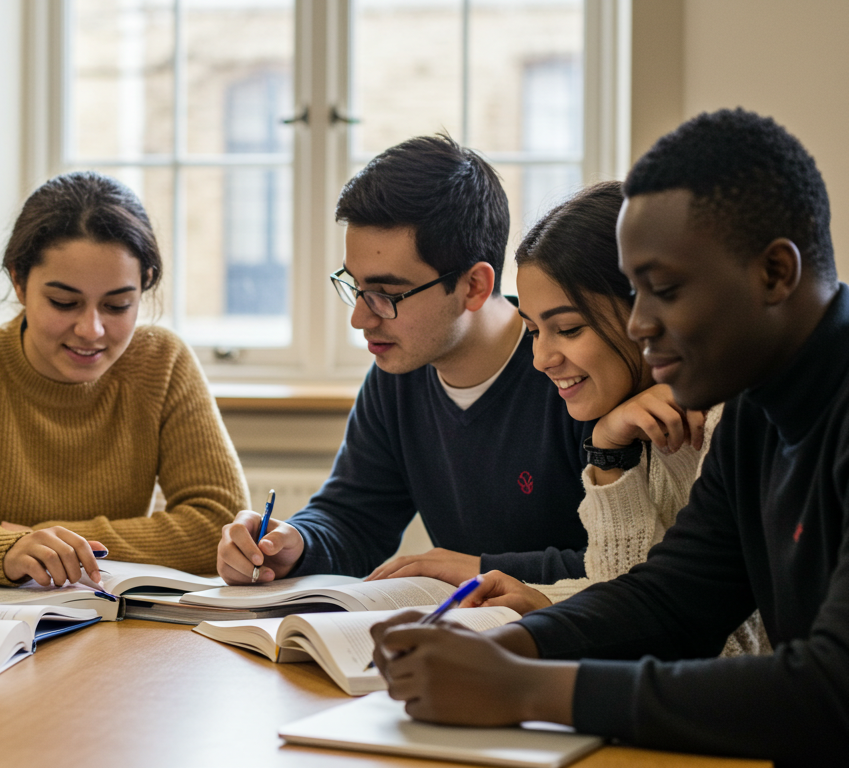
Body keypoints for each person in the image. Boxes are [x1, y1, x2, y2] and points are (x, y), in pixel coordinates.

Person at [370, 109, 849, 764]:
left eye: (663, 291)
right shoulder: (756, 410)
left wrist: (528, 689)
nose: (641, 325)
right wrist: (515, 644)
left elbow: (831, 690)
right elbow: (675, 596)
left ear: (773, 273)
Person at [215, 134, 590, 588]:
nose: (359, 319)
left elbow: (631, 560)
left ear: (474, 286)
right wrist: (295, 543)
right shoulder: (398, 375)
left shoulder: (572, 371)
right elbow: (354, 518)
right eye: (355, 288)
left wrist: (482, 569)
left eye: (387, 295)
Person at [0, 171, 249, 586]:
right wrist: (6, 549)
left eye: (117, 305)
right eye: (64, 302)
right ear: (19, 281)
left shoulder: (162, 361)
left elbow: (220, 525)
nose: (91, 330)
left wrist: (42, 542)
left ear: (144, 285)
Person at [474, 180, 767, 655]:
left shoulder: (729, 419)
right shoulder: (642, 418)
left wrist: (551, 621)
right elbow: (636, 599)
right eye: (532, 331)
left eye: (567, 328)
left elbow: (725, 643)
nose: (541, 357)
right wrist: (608, 451)